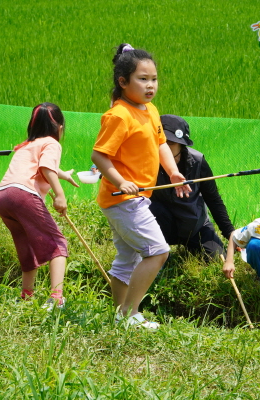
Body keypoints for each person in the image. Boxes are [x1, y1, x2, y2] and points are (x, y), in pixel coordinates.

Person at [91, 43, 190, 330]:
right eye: (142, 79)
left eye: (154, 79)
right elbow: (98, 154)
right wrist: (121, 180)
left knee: (127, 259)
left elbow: (160, 143)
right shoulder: (119, 115)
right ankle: (129, 314)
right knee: (158, 251)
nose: (150, 86)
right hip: (122, 198)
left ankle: (119, 317)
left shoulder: (149, 110)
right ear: (123, 82)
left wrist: (172, 172)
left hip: (137, 198)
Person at [0, 102, 78, 309]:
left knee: (26, 244)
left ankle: (26, 295)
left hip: (3, 196)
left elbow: (43, 165)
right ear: (59, 127)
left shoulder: (25, 145)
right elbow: (46, 166)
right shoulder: (52, 143)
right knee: (58, 244)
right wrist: (60, 195)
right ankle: (56, 298)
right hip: (24, 195)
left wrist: (64, 174)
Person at [149, 114, 234, 259]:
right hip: (160, 225)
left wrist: (230, 233)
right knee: (150, 208)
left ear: (181, 145)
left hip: (194, 225)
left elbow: (213, 200)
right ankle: (159, 254)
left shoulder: (198, 161)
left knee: (216, 258)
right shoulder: (146, 162)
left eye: (170, 143)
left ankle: (190, 244)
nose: (164, 147)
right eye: (160, 142)